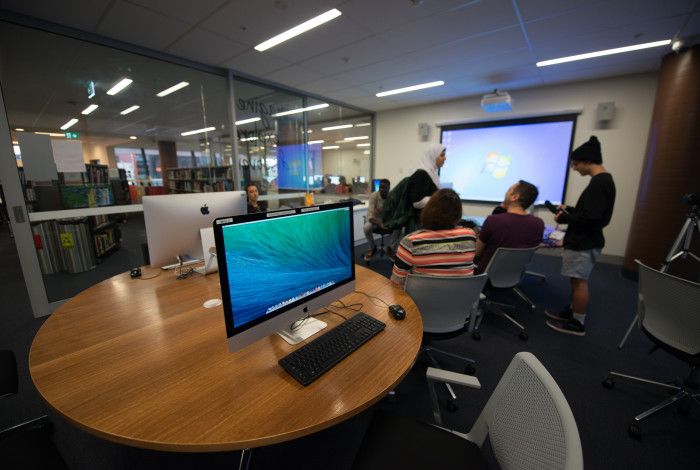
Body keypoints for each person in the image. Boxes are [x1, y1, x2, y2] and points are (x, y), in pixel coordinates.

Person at [545, 136, 616, 336]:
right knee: (576, 280)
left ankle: (577, 323)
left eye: (576, 164)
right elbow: (591, 212)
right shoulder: (603, 181)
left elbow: (591, 217)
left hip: (584, 241)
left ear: (587, 161)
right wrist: (570, 210)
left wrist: (566, 217)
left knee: (579, 282)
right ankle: (573, 311)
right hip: (587, 239)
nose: (575, 168)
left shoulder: (599, 183)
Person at [391, 188, 476, 287]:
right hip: (461, 300)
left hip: (420, 301)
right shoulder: (469, 236)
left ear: (428, 210)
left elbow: (396, 282)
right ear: (458, 214)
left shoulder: (411, 242)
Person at [475, 180, 544, 273]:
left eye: (508, 190)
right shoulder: (539, 224)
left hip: (486, 275)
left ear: (514, 197)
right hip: (515, 273)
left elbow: (476, 253)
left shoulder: (493, 220)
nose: (505, 193)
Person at [407, 143, 446, 231]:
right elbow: (417, 202)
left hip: (429, 219)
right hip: (423, 222)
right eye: (442, 155)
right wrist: (440, 197)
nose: (445, 158)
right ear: (433, 156)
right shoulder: (422, 174)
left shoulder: (432, 173)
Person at [363, 179, 401, 261]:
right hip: (375, 221)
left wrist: (392, 222)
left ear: (389, 188)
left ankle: (391, 248)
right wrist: (380, 223)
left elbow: (396, 213)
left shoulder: (393, 197)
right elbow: (370, 215)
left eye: (384, 187)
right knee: (366, 227)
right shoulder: (374, 196)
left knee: (399, 226)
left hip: (388, 221)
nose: (381, 189)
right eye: (380, 187)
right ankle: (373, 248)